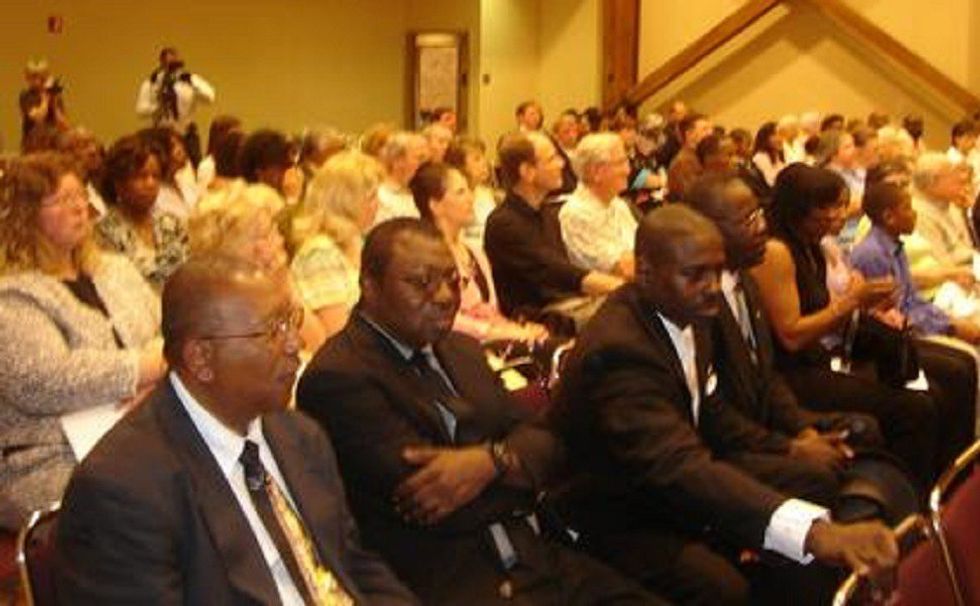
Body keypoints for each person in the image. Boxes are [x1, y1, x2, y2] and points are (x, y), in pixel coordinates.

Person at [296, 219, 664, 605]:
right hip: (457, 579)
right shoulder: (338, 376)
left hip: (537, 556)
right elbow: (436, 505)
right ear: (369, 284)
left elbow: (553, 440)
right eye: (421, 282)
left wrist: (492, 461)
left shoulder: (462, 350)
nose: (444, 296)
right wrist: (523, 466)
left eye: (452, 280)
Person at [550, 205, 898, 606]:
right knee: (721, 587)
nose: (713, 286)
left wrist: (790, 447)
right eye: (695, 274)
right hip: (616, 510)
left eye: (716, 272)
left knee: (812, 480)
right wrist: (814, 533)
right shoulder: (618, 351)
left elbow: (711, 410)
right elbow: (677, 467)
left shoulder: (687, 312)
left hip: (673, 474)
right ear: (645, 273)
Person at [54, 256, 418, 604]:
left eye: (291, 320)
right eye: (273, 330)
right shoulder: (123, 490)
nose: (296, 343)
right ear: (201, 358)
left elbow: (351, 565)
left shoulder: (298, 435)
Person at [750, 164, 941, 488]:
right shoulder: (777, 252)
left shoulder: (812, 244)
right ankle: (908, 499)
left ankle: (943, 488)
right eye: (825, 210)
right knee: (913, 409)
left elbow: (825, 313)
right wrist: (852, 301)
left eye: (838, 207)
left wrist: (866, 302)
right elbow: (791, 335)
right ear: (798, 210)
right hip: (793, 374)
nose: (834, 217)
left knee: (937, 387)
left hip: (819, 358)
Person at [0, 154, 164, 529]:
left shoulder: (115, 270)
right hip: (48, 458)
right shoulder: (11, 297)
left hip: (136, 433)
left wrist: (156, 377)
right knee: (156, 501)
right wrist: (148, 366)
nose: (79, 207)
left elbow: (167, 328)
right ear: (24, 215)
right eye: (62, 199)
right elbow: (47, 380)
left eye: (80, 195)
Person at [685, 174, 882, 457]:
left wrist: (804, 430)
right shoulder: (698, 303)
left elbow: (767, 377)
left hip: (771, 415)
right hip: (734, 444)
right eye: (748, 221)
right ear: (707, 229)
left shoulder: (745, 281)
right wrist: (792, 448)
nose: (762, 227)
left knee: (863, 430)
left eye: (759, 215)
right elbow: (714, 413)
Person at [484, 132, 623, 331]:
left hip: (568, 307)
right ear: (527, 171)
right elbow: (560, 272)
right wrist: (625, 289)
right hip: (537, 320)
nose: (562, 164)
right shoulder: (504, 224)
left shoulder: (547, 213)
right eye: (551, 159)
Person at [410, 162, 548, 344]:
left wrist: (517, 329)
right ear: (435, 205)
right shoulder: (427, 258)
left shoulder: (474, 250)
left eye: (469, 190)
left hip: (496, 338)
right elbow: (444, 318)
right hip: (461, 347)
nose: (471, 198)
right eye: (460, 192)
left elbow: (492, 310)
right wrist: (503, 332)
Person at [188, 180, 327, 353]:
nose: (279, 240)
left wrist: (285, 287)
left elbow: (319, 345)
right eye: (265, 235)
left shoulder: (277, 285)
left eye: (273, 230)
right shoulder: (224, 315)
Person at [290, 150, 384, 339]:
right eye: (372, 197)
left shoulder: (360, 241)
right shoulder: (319, 253)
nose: (378, 204)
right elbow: (336, 333)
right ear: (347, 201)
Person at [96, 134, 188, 291]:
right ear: (118, 183)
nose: (150, 184)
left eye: (156, 176)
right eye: (141, 176)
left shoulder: (172, 224)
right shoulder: (104, 231)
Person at [559, 133, 638, 279]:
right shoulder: (576, 214)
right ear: (596, 172)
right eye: (620, 163)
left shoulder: (618, 204)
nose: (627, 170)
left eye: (626, 161)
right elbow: (623, 269)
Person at [135, 46, 215, 159]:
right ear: (161, 63)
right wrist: (157, 108)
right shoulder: (152, 83)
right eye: (168, 63)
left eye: (174, 63)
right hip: (162, 135)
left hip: (187, 134)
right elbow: (140, 110)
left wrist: (192, 82)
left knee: (194, 164)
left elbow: (210, 98)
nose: (171, 67)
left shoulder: (189, 80)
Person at [444, 136, 498, 251]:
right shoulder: (450, 197)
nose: (485, 163)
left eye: (483, 157)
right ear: (460, 166)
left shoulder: (487, 194)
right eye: (477, 159)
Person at [374, 131, 428, 225]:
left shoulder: (418, 192)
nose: (424, 164)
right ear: (398, 161)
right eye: (419, 158)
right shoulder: (382, 198)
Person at [19, 58, 69, 152]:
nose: (38, 81)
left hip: (53, 143)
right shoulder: (26, 96)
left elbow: (64, 125)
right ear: (27, 78)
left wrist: (54, 104)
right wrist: (45, 98)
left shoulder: (54, 96)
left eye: (42, 77)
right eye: (34, 77)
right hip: (33, 144)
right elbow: (38, 117)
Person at [667, 113, 712, 201]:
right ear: (689, 134)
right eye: (705, 129)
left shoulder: (702, 155)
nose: (710, 133)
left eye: (711, 129)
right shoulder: (683, 163)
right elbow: (695, 197)